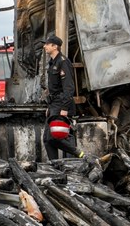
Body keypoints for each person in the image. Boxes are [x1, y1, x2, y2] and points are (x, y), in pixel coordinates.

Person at [42, 36, 100, 180]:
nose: (45, 47)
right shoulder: (52, 63)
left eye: (47, 45)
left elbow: (69, 88)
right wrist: (49, 107)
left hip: (61, 104)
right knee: (47, 139)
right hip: (53, 104)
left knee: (55, 137)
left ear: (55, 46)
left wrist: (64, 108)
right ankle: (55, 167)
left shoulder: (63, 62)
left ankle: (79, 154)